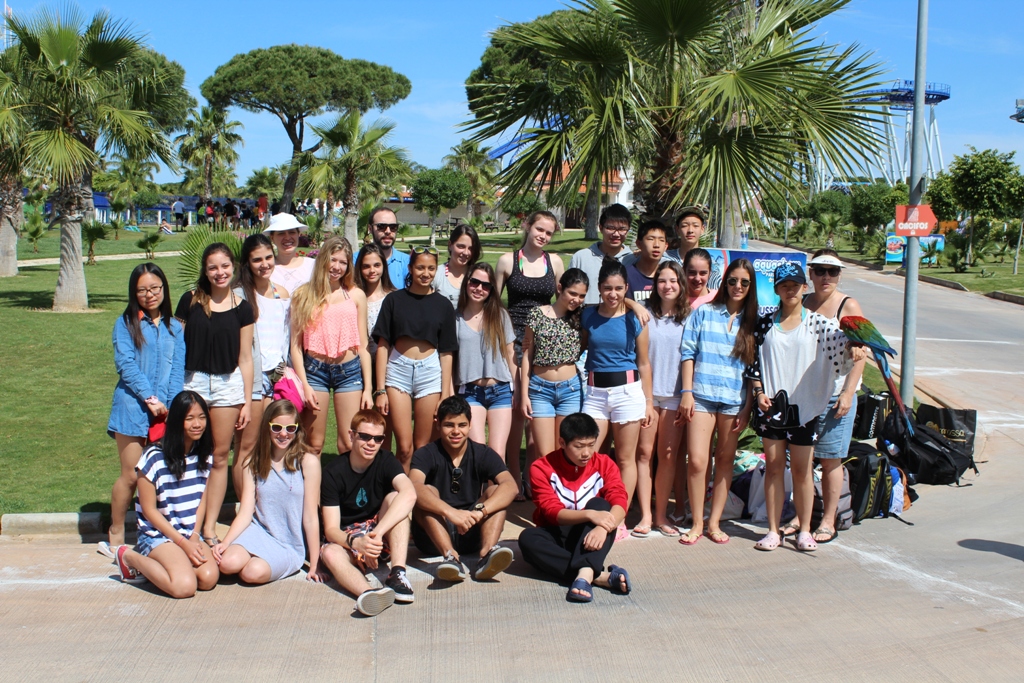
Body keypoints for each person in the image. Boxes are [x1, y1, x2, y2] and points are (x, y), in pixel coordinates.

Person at [746, 263, 853, 552]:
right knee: (773, 468)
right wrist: (758, 392)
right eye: (784, 285)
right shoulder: (764, 323)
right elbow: (753, 363)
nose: (790, 290)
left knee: (802, 471)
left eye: (795, 285)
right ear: (776, 289)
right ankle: (772, 530)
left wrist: (855, 349)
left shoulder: (820, 324)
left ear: (804, 287)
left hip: (804, 410)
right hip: (771, 409)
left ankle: (805, 530)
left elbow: (847, 351)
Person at [779, 250, 867, 544]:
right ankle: (801, 517)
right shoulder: (802, 303)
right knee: (803, 461)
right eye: (820, 270)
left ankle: (828, 520)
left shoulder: (847, 305)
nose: (826, 277)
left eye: (832, 271)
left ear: (839, 275)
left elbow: (860, 353)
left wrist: (848, 393)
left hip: (835, 396)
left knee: (830, 460)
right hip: (805, 395)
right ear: (811, 274)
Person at [101, 263, 185, 557]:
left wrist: (171, 407)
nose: (150, 295)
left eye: (155, 288)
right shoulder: (125, 323)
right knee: (132, 475)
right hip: (132, 408)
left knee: (158, 476)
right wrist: (149, 398)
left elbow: (177, 370)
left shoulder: (175, 327)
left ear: (164, 288)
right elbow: (125, 364)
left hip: (165, 411)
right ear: (133, 293)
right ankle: (116, 532)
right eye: (142, 290)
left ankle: (154, 533)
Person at [175, 243, 255, 545]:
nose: (220, 272)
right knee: (189, 453)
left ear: (233, 267)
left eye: (224, 266)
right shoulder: (190, 301)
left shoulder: (243, 308)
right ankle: (186, 524)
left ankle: (209, 526)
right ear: (205, 271)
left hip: (227, 386)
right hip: (192, 382)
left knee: (219, 456)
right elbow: (175, 347)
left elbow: (245, 358)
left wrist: (247, 401)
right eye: (213, 267)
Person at [676, 259, 758, 545]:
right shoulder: (704, 312)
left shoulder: (753, 322)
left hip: (734, 401)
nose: (737, 286)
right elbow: (687, 353)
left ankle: (714, 522)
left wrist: (747, 407)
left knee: (724, 461)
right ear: (724, 282)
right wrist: (687, 392)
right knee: (698, 461)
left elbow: (753, 370)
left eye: (744, 282)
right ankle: (697, 522)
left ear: (751, 286)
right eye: (732, 280)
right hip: (701, 396)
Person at [113, 391, 219, 598]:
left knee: (208, 578)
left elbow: (201, 501)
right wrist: (182, 543)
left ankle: (176, 562)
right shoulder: (153, 457)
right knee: (184, 587)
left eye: (202, 417)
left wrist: (194, 536)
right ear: (177, 421)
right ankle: (129, 558)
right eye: (189, 418)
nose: (197, 424)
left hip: (188, 532)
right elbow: (149, 511)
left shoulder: (204, 455)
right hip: (158, 535)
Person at [519, 413, 631, 603]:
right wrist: (589, 515)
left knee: (601, 505)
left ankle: (584, 576)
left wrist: (603, 527)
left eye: (591, 445)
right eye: (579, 446)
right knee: (528, 539)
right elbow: (551, 511)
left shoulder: (605, 463)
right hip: (558, 531)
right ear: (562, 443)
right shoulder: (541, 467)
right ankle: (597, 575)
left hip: (591, 534)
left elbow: (620, 500)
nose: (586, 453)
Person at [319, 410, 417, 616]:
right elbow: (331, 530)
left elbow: (409, 493)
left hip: (377, 532)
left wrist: (376, 535)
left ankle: (397, 574)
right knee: (329, 553)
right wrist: (357, 543)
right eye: (364, 436)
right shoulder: (333, 472)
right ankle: (369, 593)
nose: (371, 443)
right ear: (351, 435)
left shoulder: (386, 460)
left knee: (396, 498)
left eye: (378, 438)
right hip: (349, 537)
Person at [213, 400, 323, 584]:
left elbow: (311, 517)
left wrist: (314, 564)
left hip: (288, 542)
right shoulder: (253, 462)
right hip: (259, 531)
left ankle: (263, 561)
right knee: (227, 563)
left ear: (297, 430)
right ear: (267, 427)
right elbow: (246, 511)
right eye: (277, 427)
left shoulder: (307, 462)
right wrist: (226, 542)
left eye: (290, 428)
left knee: (252, 573)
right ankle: (249, 556)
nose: (283, 434)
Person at [409, 396, 518, 582]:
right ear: (438, 425)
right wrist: (450, 512)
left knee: (495, 492)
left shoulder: (483, 453)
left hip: (471, 530)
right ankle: (450, 557)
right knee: (426, 492)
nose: (456, 431)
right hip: (433, 535)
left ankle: (487, 553)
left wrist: (480, 512)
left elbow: (511, 486)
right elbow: (414, 486)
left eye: (462, 425)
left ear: (470, 425)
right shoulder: (426, 454)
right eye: (449, 425)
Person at [494, 211, 563, 499]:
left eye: (548, 232)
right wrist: (504, 340)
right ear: (527, 226)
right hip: (515, 342)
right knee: (517, 412)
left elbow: (563, 304)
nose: (543, 236)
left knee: (538, 414)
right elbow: (493, 303)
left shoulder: (554, 262)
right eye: (539, 229)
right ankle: (513, 475)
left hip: (544, 346)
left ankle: (533, 475)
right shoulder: (508, 261)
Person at [373, 246, 457, 469]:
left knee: (422, 447)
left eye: (431, 268)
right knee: (404, 447)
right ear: (410, 268)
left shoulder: (443, 305)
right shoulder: (394, 300)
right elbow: (383, 346)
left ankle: (419, 490)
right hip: (398, 370)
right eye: (420, 267)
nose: (425, 273)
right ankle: (399, 489)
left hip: (429, 372)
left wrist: (445, 394)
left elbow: (446, 352)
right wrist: (380, 390)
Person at [581, 260, 655, 509]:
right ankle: (594, 508)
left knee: (625, 458)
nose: (613, 294)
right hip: (595, 394)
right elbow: (580, 347)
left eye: (618, 288)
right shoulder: (588, 315)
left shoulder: (636, 319)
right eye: (607, 288)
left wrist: (648, 402)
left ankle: (619, 512)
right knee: (590, 454)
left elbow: (643, 363)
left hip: (628, 393)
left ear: (626, 288)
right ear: (599, 288)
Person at [290, 236, 373, 456]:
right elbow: (296, 346)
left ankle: (345, 480)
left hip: (349, 372)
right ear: (323, 259)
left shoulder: (356, 295)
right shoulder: (303, 295)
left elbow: (363, 345)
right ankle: (312, 480)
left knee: (349, 443)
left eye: (343, 262)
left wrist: (368, 389)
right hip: (315, 372)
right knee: (314, 444)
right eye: (332, 260)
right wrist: (305, 385)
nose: (337, 267)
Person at [632, 261, 688, 538]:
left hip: (675, 396)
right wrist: (633, 303)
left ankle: (661, 515)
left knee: (667, 456)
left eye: (673, 281)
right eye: (662, 280)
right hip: (647, 396)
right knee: (644, 454)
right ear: (654, 285)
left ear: (681, 284)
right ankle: (645, 514)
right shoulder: (644, 314)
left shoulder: (689, 317)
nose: (668, 286)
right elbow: (618, 300)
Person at [232, 234, 291, 494]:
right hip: (252, 378)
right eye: (257, 260)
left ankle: (262, 501)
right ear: (247, 262)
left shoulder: (282, 293)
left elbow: (285, 338)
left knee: (271, 443)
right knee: (246, 446)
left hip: (277, 376)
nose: (264, 264)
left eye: (268, 257)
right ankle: (245, 504)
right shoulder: (238, 295)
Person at [520, 269, 588, 479]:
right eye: (572, 293)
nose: (576, 299)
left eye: (582, 296)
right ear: (560, 288)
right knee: (545, 454)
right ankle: (546, 496)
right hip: (540, 390)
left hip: (570, 390)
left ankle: (563, 495)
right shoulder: (537, 314)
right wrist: (524, 395)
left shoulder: (582, 316)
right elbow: (527, 355)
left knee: (566, 452)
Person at [669, 247, 719, 523]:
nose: (697, 278)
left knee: (701, 454)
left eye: (703, 273)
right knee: (676, 451)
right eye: (691, 272)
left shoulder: (717, 300)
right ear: (683, 271)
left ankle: (700, 504)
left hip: (703, 387)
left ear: (710, 273)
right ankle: (679, 505)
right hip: (672, 384)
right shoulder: (674, 298)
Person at [455, 263, 516, 460]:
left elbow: (510, 353)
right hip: (470, 392)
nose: (479, 288)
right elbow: (449, 358)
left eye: (486, 285)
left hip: (501, 390)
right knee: (477, 451)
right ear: (466, 283)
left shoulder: (500, 315)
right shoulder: (455, 318)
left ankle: (498, 483)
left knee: (497, 453)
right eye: (474, 282)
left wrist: (518, 389)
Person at [355, 242, 397, 446]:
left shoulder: (394, 296)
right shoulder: (354, 295)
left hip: (388, 367)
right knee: (361, 424)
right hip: (359, 366)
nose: (372, 270)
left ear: (383, 266)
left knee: (383, 423)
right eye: (366, 266)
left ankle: (384, 461)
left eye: (376, 265)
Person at [569, 204, 634, 306]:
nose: (616, 234)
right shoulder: (581, 258)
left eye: (622, 229)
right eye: (610, 228)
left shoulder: (633, 260)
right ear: (600, 227)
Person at [265, 213, 315, 296]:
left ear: (298, 234)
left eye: (292, 232)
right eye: (281, 233)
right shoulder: (267, 268)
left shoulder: (313, 265)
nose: (287, 237)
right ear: (272, 238)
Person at [433, 223, 481, 307]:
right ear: (450, 245)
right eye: (461, 247)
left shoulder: (478, 275)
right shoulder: (436, 275)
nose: (466, 252)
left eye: (470, 248)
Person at [362, 206, 410, 290]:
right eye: (381, 226)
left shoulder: (408, 262)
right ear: (370, 229)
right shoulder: (355, 261)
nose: (388, 231)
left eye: (393, 227)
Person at [625, 220, 668, 303]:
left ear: (666, 246)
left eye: (661, 240)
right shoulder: (626, 275)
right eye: (651, 239)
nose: (656, 245)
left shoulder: (669, 276)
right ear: (639, 244)